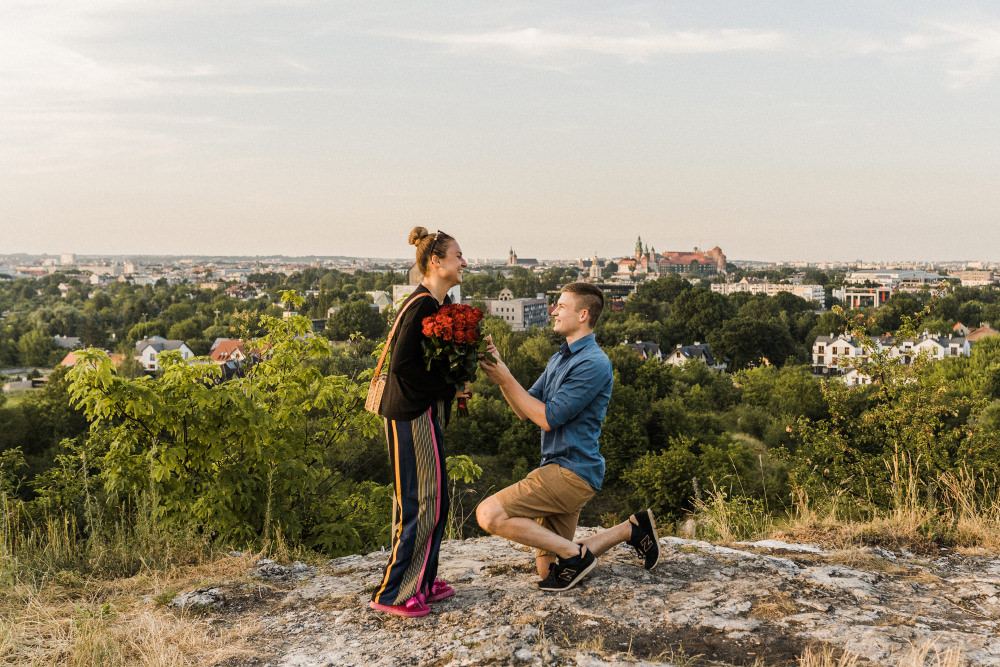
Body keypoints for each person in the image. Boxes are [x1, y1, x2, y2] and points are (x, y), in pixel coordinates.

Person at [477, 282, 660, 591]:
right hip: (556, 467)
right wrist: (501, 372)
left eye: (561, 306)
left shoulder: (593, 363)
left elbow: (548, 419)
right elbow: (526, 408)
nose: (553, 310)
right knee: (549, 571)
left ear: (583, 314)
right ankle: (631, 529)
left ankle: (576, 554)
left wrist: (506, 378)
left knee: (489, 514)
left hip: (572, 471)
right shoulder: (559, 359)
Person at [369, 227, 471, 617]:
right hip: (410, 413)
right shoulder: (423, 307)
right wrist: (449, 380)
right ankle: (394, 593)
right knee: (420, 500)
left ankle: (424, 579)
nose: (464, 262)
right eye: (458, 255)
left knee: (435, 496)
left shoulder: (431, 303)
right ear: (436, 261)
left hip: (419, 412)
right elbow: (404, 368)